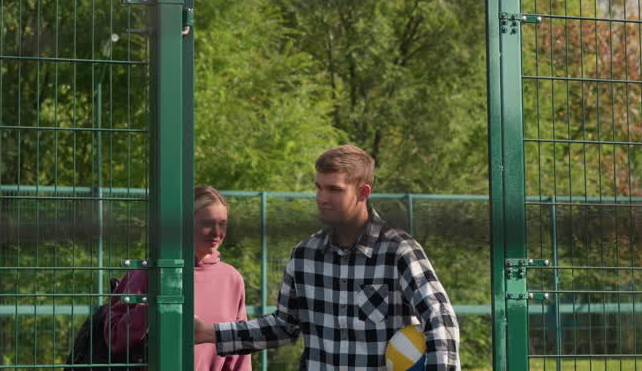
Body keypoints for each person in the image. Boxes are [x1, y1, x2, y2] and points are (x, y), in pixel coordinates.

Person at [193, 144, 460, 370]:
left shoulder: (398, 250)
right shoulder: (304, 254)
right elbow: (283, 327)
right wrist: (209, 333)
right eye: (319, 187)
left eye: (334, 189)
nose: (322, 198)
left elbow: (440, 319)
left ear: (363, 192)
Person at [106, 184, 252, 371]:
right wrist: (152, 310)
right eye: (207, 223)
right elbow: (114, 337)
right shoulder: (148, 272)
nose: (217, 232)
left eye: (222, 223)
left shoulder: (232, 279)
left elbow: (239, 352)